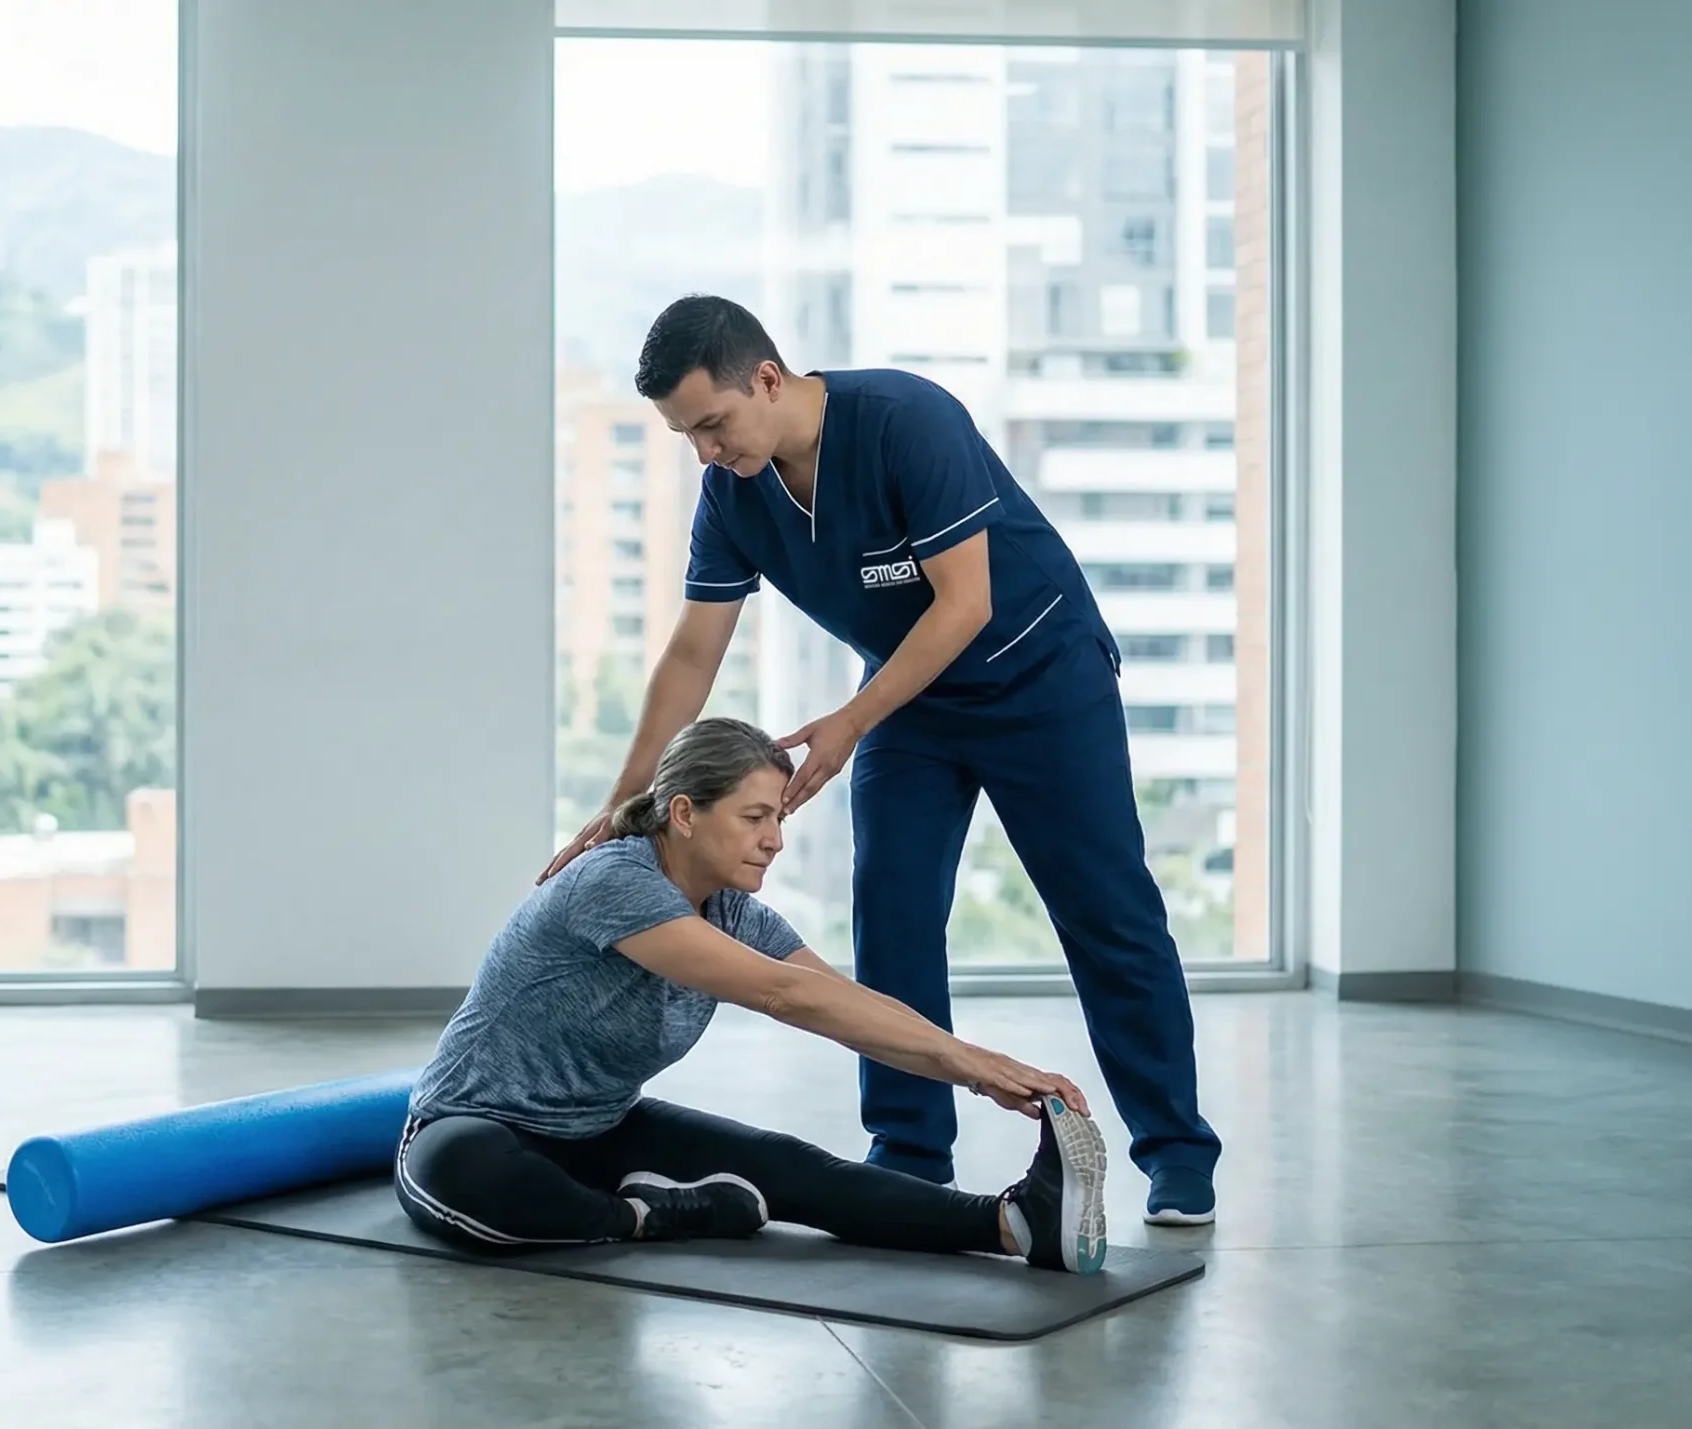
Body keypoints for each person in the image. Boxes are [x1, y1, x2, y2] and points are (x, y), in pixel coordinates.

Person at [541, 295, 1221, 1226]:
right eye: (685, 434)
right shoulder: (734, 494)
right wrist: (625, 801)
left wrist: (849, 723)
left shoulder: (908, 420)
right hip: (910, 698)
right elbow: (693, 653)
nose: (705, 450)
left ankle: (1177, 1149)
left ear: (767, 379)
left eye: (712, 423)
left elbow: (966, 602)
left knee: (1107, 911)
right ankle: (910, 1146)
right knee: (893, 913)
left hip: (1040, 677)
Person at [401, 718, 1109, 1274]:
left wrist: (983, 1069)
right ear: (684, 813)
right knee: (474, 1176)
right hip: (473, 1124)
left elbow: (846, 1005)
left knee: (791, 1164)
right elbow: (782, 993)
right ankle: (649, 1216)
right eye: (754, 817)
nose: (773, 841)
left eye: (779, 820)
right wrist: (977, 1068)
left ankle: (1014, 1223)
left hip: (601, 1130)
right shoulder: (613, 881)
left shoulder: (735, 912)